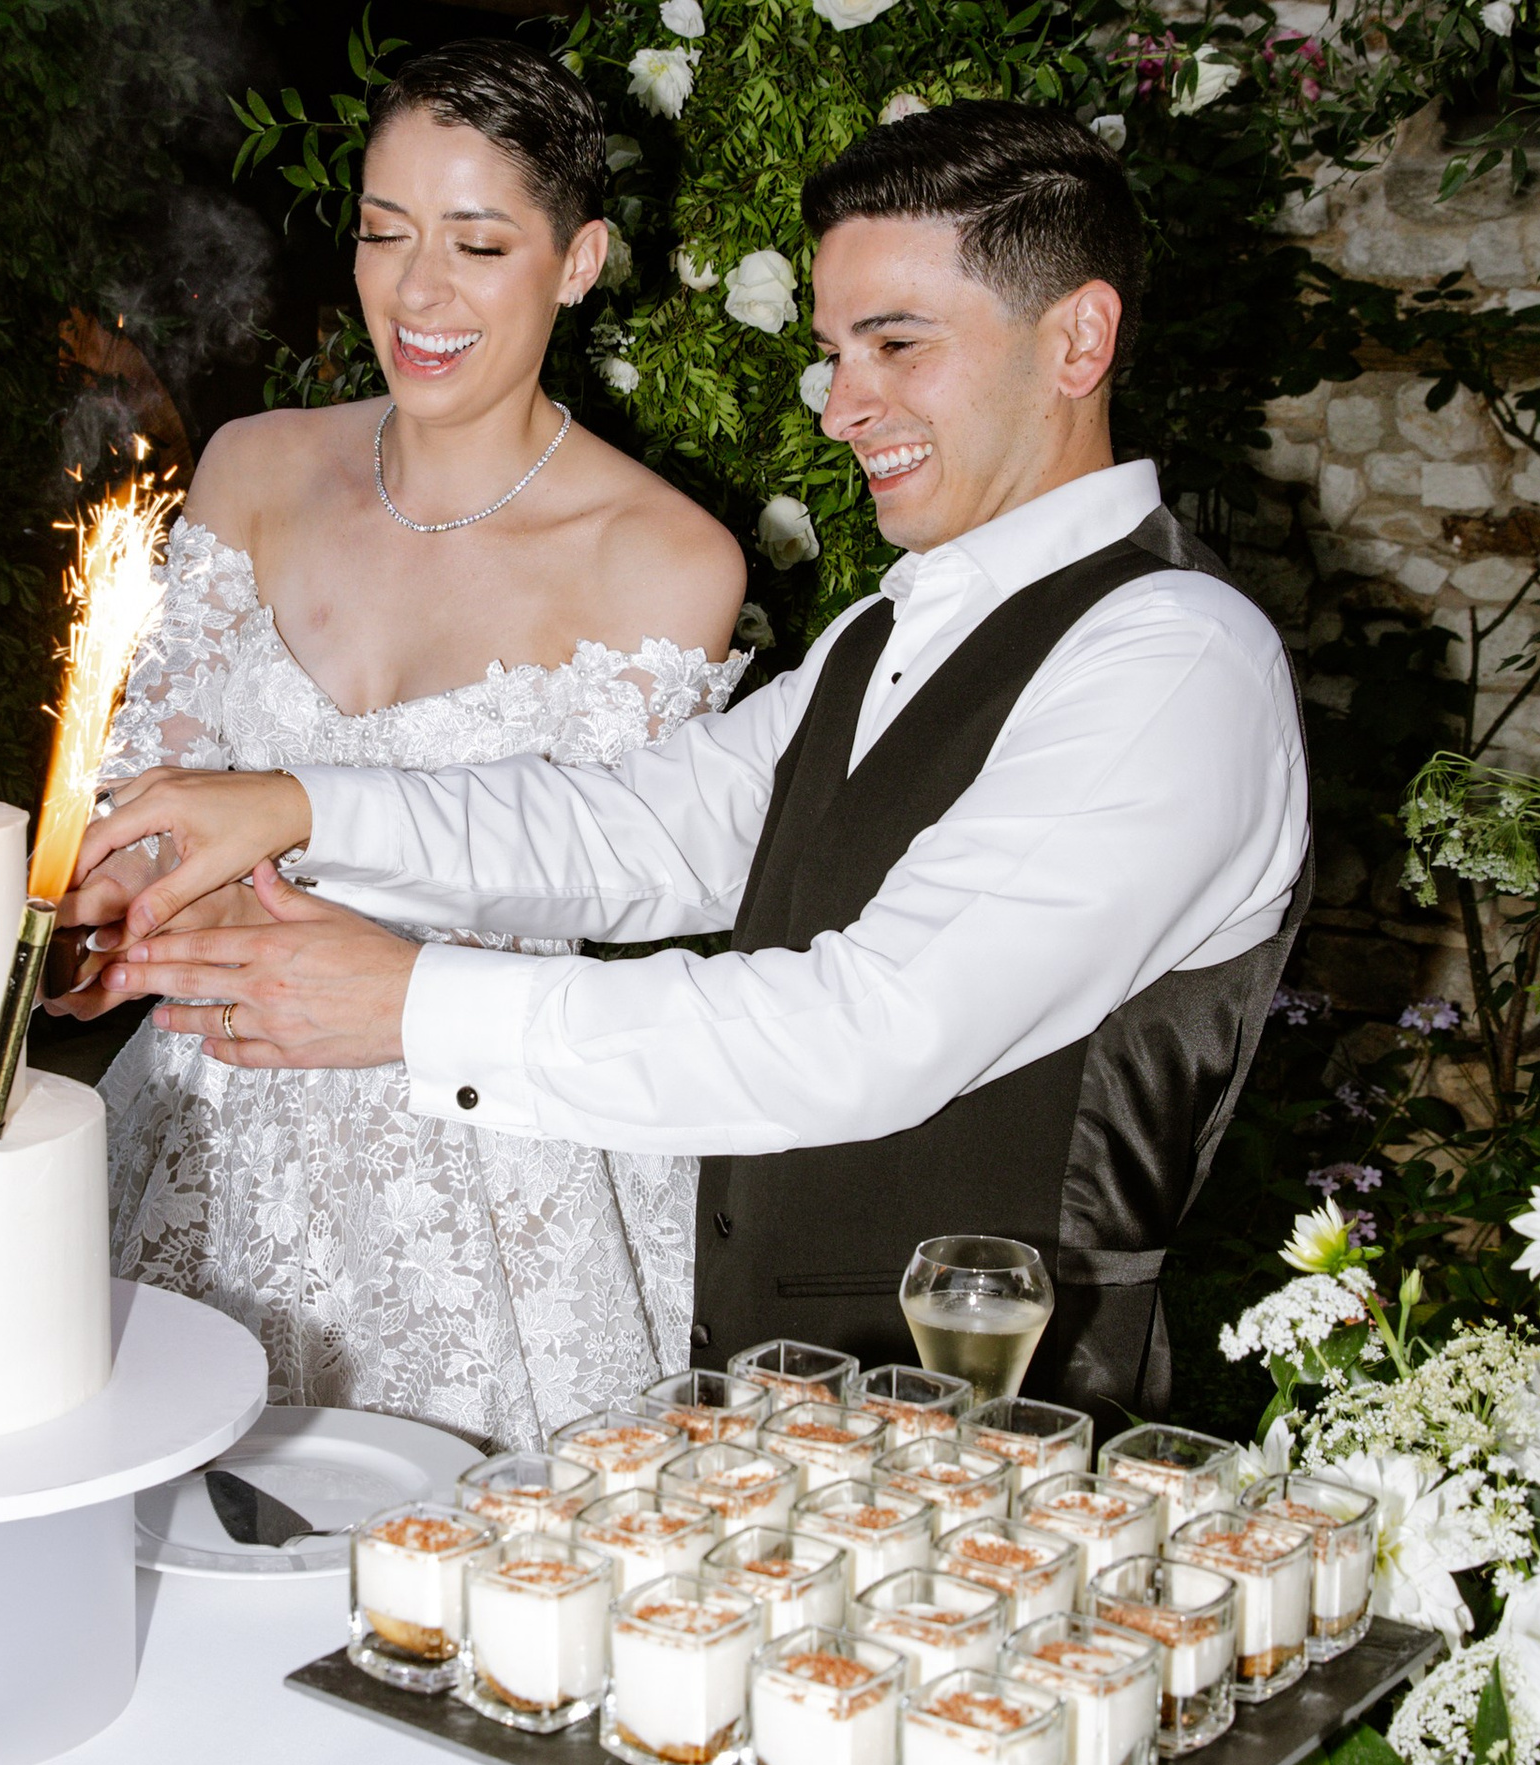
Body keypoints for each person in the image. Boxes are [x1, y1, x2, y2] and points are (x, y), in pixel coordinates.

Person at [67, 100, 1311, 1418]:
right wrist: (292, 803)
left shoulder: (1174, 663)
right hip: (796, 1412)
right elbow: (641, 832)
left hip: (1003, 1444)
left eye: (897, 347)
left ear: (1080, 339)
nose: (842, 408)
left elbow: (867, 1029)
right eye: (836, 353)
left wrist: (413, 1006)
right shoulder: (887, 631)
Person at [76, 38, 745, 1448]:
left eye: (479, 244)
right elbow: (155, 785)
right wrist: (102, 911)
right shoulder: (254, 466)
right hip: (209, 1129)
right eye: (385, 234)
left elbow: (606, 874)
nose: (419, 292)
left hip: (488, 1175)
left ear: (578, 261)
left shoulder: (666, 562)